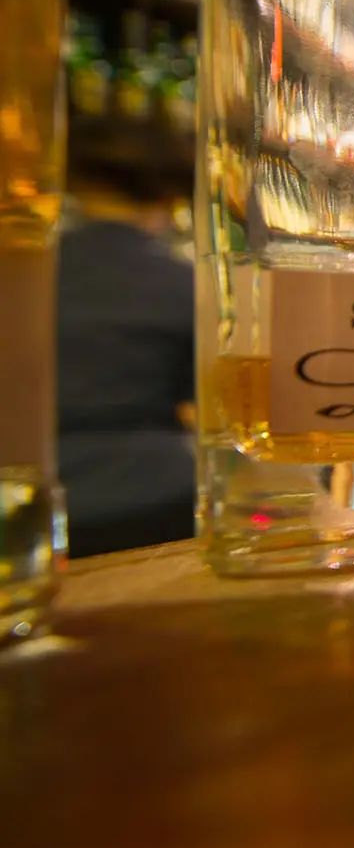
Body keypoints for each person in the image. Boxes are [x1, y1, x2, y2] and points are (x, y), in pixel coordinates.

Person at [56, 119, 196, 555]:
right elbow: (201, 406)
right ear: (168, 198)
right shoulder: (180, 281)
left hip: (33, 498)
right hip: (153, 496)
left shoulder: (24, 277)